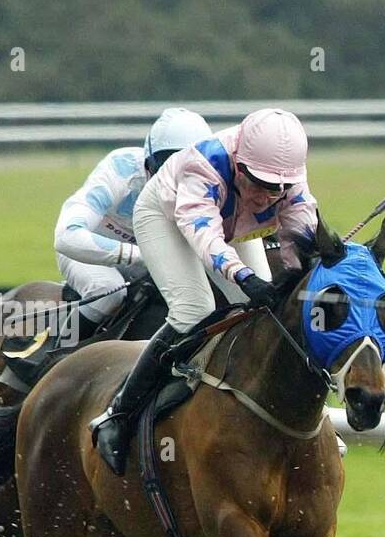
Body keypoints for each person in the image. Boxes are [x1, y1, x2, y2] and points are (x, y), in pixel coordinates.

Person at [90, 108, 319, 475]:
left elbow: (301, 229)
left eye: (277, 188)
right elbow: (204, 235)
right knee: (193, 308)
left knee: (264, 313)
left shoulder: (287, 175)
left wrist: (304, 269)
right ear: (238, 165)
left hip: (232, 221)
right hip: (167, 215)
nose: (267, 196)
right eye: (259, 183)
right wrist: (244, 277)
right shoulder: (206, 165)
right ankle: (118, 414)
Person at [53, 107, 212, 340]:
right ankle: (53, 354)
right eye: (165, 165)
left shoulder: (213, 182)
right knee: (107, 291)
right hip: (88, 256)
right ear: (148, 160)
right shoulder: (121, 169)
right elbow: (67, 236)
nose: (175, 180)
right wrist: (143, 255)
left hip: (150, 259)